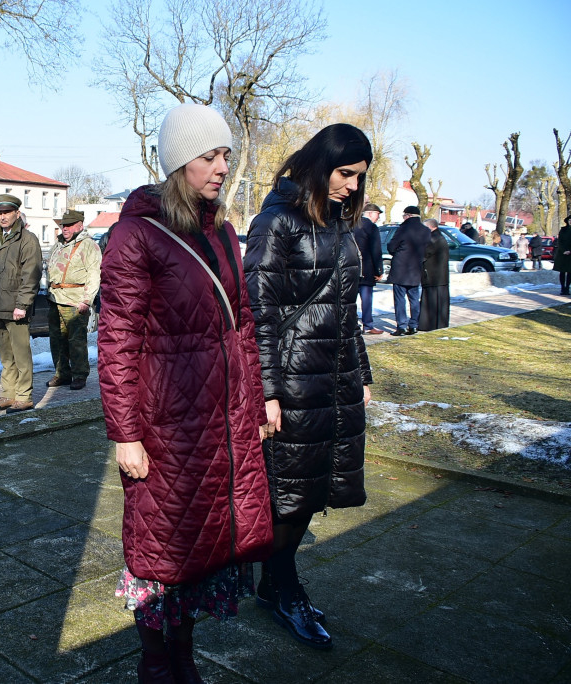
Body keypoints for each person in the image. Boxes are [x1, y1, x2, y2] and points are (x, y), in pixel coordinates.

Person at [99, 103, 272, 682]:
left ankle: (185, 655)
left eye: (226, 153)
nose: (223, 165)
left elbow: (241, 324)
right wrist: (125, 432)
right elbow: (118, 337)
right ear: (179, 162)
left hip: (220, 421)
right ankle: (155, 659)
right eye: (209, 155)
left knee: (205, 543)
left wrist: (254, 399)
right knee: (162, 544)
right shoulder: (135, 235)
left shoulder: (223, 231)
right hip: (164, 422)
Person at [244, 122, 373, 651]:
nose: (352, 186)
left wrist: (361, 373)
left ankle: (275, 583)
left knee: (314, 488)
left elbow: (345, 309)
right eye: (345, 173)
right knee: (290, 496)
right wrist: (267, 391)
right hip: (293, 379)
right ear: (321, 164)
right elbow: (260, 312)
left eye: (360, 177)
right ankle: (284, 588)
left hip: (335, 375)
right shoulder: (277, 222)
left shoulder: (339, 221)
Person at [0, 193, 42, 414]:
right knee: (6, 356)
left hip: (16, 308)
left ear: (17, 213)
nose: (3, 216)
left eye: (7, 212)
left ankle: (24, 396)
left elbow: (31, 275)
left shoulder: (28, 239)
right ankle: (9, 393)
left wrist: (22, 305)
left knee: (21, 355)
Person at [46, 209, 101, 391]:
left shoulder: (88, 245)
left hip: (75, 300)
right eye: (63, 225)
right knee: (57, 339)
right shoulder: (58, 244)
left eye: (69, 225)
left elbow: (94, 274)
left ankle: (79, 375)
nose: (65, 228)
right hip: (55, 299)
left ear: (80, 225)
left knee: (76, 340)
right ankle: (62, 373)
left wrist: (87, 300)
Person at [386, 206, 431, 336]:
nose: (403, 218)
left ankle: (402, 326)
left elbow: (392, 247)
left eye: (404, 215)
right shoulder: (426, 230)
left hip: (401, 267)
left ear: (409, 215)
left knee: (400, 298)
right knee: (414, 298)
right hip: (415, 268)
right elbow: (427, 249)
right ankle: (414, 325)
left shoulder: (403, 228)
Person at [354, 203, 384, 334]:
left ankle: (352, 324)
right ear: (371, 213)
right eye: (377, 214)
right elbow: (376, 250)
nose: (378, 217)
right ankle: (368, 325)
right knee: (366, 299)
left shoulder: (352, 224)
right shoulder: (372, 227)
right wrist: (379, 270)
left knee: (350, 299)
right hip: (367, 268)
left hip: (351, 267)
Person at [418, 218, 450, 331]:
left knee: (431, 302)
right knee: (440, 303)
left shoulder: (433, 239)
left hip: (433, 276)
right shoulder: (439, 237)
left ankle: (428, 325)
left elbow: (423, 254)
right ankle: (439, 324)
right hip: (440, 277)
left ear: (430, 227)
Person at [556, 216, 571, 296]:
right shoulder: (563, 229)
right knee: (562, 272)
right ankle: (562, 288)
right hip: (562, 253)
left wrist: (570, 251)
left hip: (570, 254)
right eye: (569, 220)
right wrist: (564, 250)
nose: (570, 221)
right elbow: (559, 241)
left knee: (569, 272)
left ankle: (567, 288)